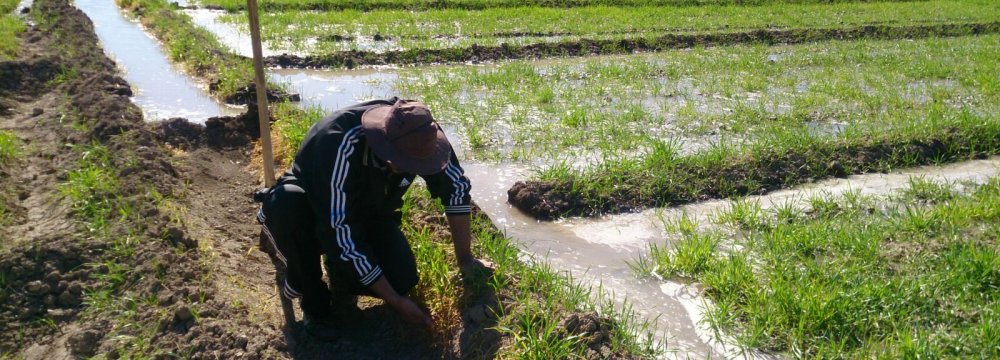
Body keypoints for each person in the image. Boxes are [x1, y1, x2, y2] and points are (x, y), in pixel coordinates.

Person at [255, 97, 490, 340]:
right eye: (408, 164)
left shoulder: (422, 133)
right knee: (287, 205)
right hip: (315, 207)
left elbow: (457, 188)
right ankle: (314, 302)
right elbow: (337, 230)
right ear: (388, 154)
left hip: (372, 210)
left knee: (402, 278)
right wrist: (396, 302)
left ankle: (343, 279)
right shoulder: (337, 143)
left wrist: (466, 260)